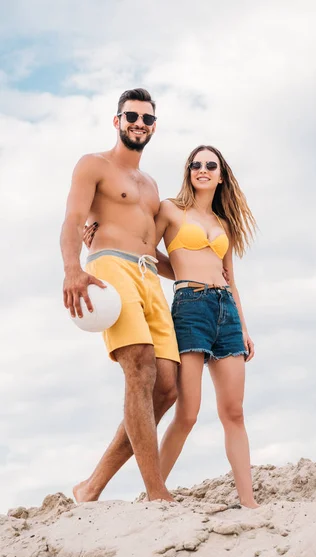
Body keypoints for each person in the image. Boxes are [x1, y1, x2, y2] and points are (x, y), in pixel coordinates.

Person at [87, 145, 259, 508]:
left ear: (221, 175)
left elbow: (232, 279)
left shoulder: (224, 223)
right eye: (196, 164)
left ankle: (250, 504)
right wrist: (99, 233)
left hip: (225, 309)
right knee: (188, 411)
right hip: (190, 307)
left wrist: (243, 326)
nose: (202, 169)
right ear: (189, 171)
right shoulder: (170, 209)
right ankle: (156, 494)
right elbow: (144, 248)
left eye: (210, 165)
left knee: (234, 412)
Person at [60, 88, 180, 503]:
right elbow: (74, 219)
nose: (139, 124)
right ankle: (156, 492)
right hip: (110, 266)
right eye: (132, 116)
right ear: (117, 121)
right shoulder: (94, 164)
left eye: (147, 119)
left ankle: (91, 487)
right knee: (140, 368)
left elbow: (154, 250)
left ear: (153, 127)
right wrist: (73, 268)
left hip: (150, 276)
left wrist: (196, 274)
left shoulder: (150, 185)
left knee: (167, 388)